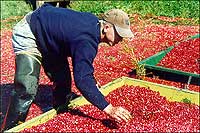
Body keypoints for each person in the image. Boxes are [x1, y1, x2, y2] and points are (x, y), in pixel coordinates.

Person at [2, 3, 134, 131]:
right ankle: (11, 128)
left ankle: (61, 110)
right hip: (30, 30)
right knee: (26, 87)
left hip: (50, 36)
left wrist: (91, 80)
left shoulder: (94, 25)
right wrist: (109, 108)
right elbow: (82, 80)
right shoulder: (87, 40)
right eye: (119, 34)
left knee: (63, 79)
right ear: (106, 28)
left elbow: (82, 63)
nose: (121, 39)